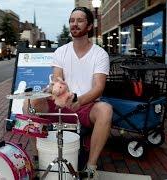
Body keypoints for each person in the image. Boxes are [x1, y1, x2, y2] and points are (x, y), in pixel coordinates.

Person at [23, 7, 112, 179]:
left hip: (85, 104)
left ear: (89, 25)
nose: (74, 24)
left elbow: (99, 87)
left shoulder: (100, 54)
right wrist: (53, 88)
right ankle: (37, 155)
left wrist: (79, 100)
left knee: (106, 110)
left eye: (80, 20)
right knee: (29, 103)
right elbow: (58, 80)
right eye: (72, 20)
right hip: (60, 103)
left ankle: (91, 167)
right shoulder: (61, 51)